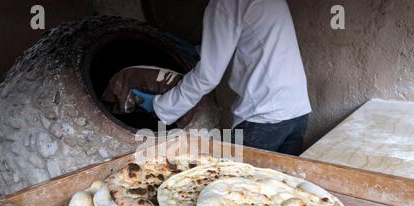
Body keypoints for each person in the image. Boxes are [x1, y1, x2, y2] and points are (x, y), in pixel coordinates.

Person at [132, 0, 311, 156]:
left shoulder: (225, 3)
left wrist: (161, 106)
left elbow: (207, 77)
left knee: (231, 188)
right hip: (297, 111)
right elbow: (252, 41)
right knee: (282, 186)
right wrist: (201, 50)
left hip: (265, 119)